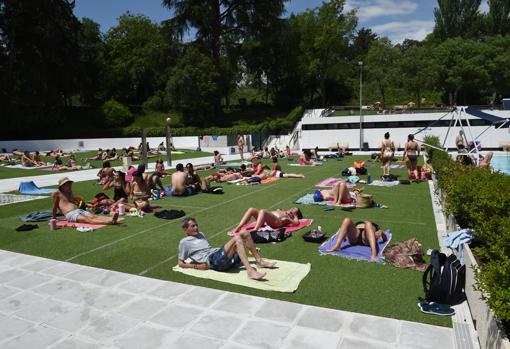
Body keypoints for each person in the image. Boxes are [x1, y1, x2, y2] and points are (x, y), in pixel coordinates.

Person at [178, 217, 275, 280]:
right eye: (193, 226)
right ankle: (250, 271)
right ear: (185, 229)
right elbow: (180, 263)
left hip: (217, 255)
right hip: (213, 261)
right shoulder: (184, 242)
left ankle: (259, 261)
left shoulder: (201, 234)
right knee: (236, 239)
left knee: (245, 232)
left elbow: (208, 249)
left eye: (196, 225)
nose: (196, 227)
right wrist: (196, 266)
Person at [52, 177, 119, 224]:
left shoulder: (69, 191)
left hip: (78, 210)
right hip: (70, 214)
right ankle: (110, 222)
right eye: (68, 184)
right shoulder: (56, 193)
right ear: (62, 186)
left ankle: (111, 219)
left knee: (93, 216)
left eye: (70, 183)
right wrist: (54, 218)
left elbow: (70, 202)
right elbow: (54, 207)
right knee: (87, 220)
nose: (70, 185)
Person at [232, 207, 303, 235]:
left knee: (263, 211)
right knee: (251, 210)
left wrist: (290, 218)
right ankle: (238, 227)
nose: (292, 209)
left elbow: (297, 223)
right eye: (293, 208)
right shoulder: (284, 210)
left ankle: (255, 230)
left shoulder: (292, 217)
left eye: (294, 210)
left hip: (277, 222)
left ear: (296, 214)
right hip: (266, 220)